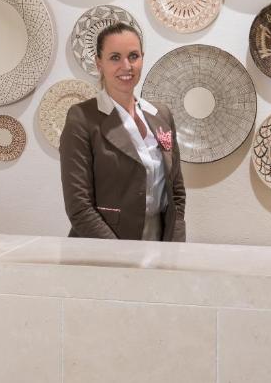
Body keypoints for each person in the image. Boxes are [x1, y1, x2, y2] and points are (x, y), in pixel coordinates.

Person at [59, 22, 186, 241]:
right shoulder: (82, 118)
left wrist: (174, 246)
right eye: (115, 57)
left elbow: (176, 193)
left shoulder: (161, 115)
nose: (126, 66)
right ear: (99, 63)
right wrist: (121, 254)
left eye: (133, 56)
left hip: (159, 243)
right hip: (103, 250)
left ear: (142, 58)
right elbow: (79, 208)